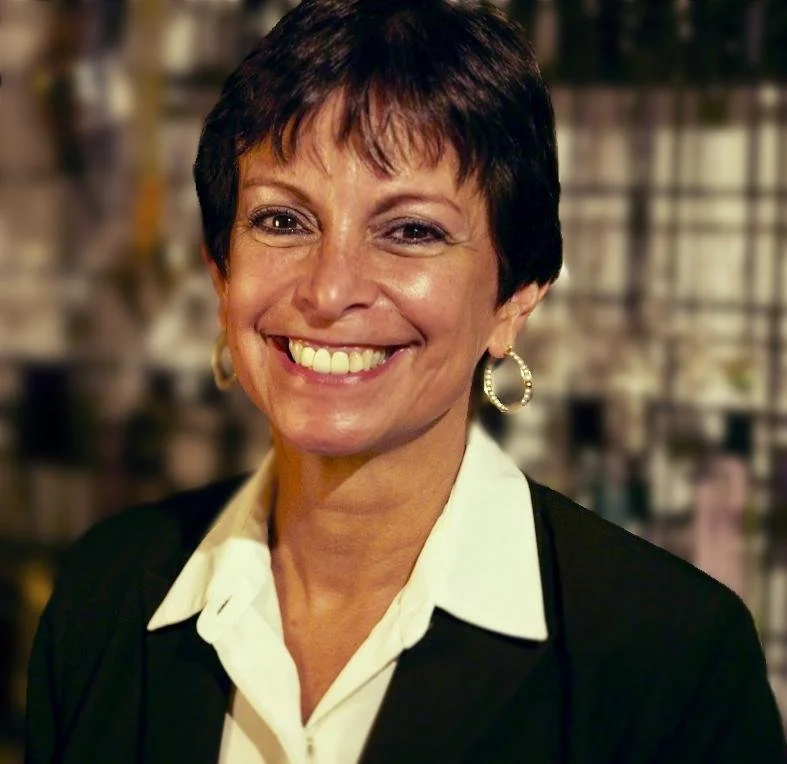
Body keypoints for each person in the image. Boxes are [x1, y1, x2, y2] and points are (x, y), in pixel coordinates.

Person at [25, 1, 785, 762]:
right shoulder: (108, 593)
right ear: (221, 274)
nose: (330, 291)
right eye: (283, 221)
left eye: (411, 231)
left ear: (513, 302)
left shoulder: (673, 662)